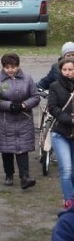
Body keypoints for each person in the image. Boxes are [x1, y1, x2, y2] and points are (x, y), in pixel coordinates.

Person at [0, 53, 40, 189]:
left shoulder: (27, 79)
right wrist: (9, 105)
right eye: (7, 67)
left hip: (23, 119)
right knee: (7, 148)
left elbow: (35, 96)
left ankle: (25, 176)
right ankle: (9, 174)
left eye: (14, 67)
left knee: (23, 148)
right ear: (3, 67)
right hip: (4, 120)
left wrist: (23, 105)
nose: (11, 70)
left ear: (18, 65)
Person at [48, 57, 74, 210]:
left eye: (70, 69)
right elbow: (53, 108)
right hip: (60, 133)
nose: (67, 72)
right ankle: (68, 200)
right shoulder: (55, 86)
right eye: (65, 70)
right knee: (66, 168)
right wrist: (69, 120)